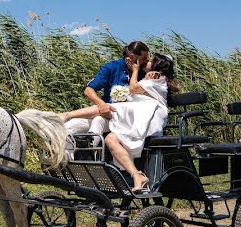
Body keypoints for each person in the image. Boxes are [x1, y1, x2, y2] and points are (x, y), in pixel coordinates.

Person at [61, 53, 178, 192]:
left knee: (108, 108)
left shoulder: (157, 76)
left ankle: (65, 116)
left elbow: (134, 89)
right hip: (138, 111)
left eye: (151, 60)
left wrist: (134, 71)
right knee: (111, 139)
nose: (146, 61)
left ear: (156, 65)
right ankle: (136, 175)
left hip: (149, 113)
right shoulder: (150, 75)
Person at [65, 41, 150, 144]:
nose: (147, 60)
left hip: (126, 117)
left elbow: (168, 82)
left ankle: (90, 149)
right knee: (69, 126)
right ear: (132, 57)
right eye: (144, 58)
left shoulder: (145, 73)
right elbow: (88, 90)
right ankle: (68, 157)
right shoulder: (112, 67)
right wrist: (101, 104)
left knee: (98, 120)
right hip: (105, 113)